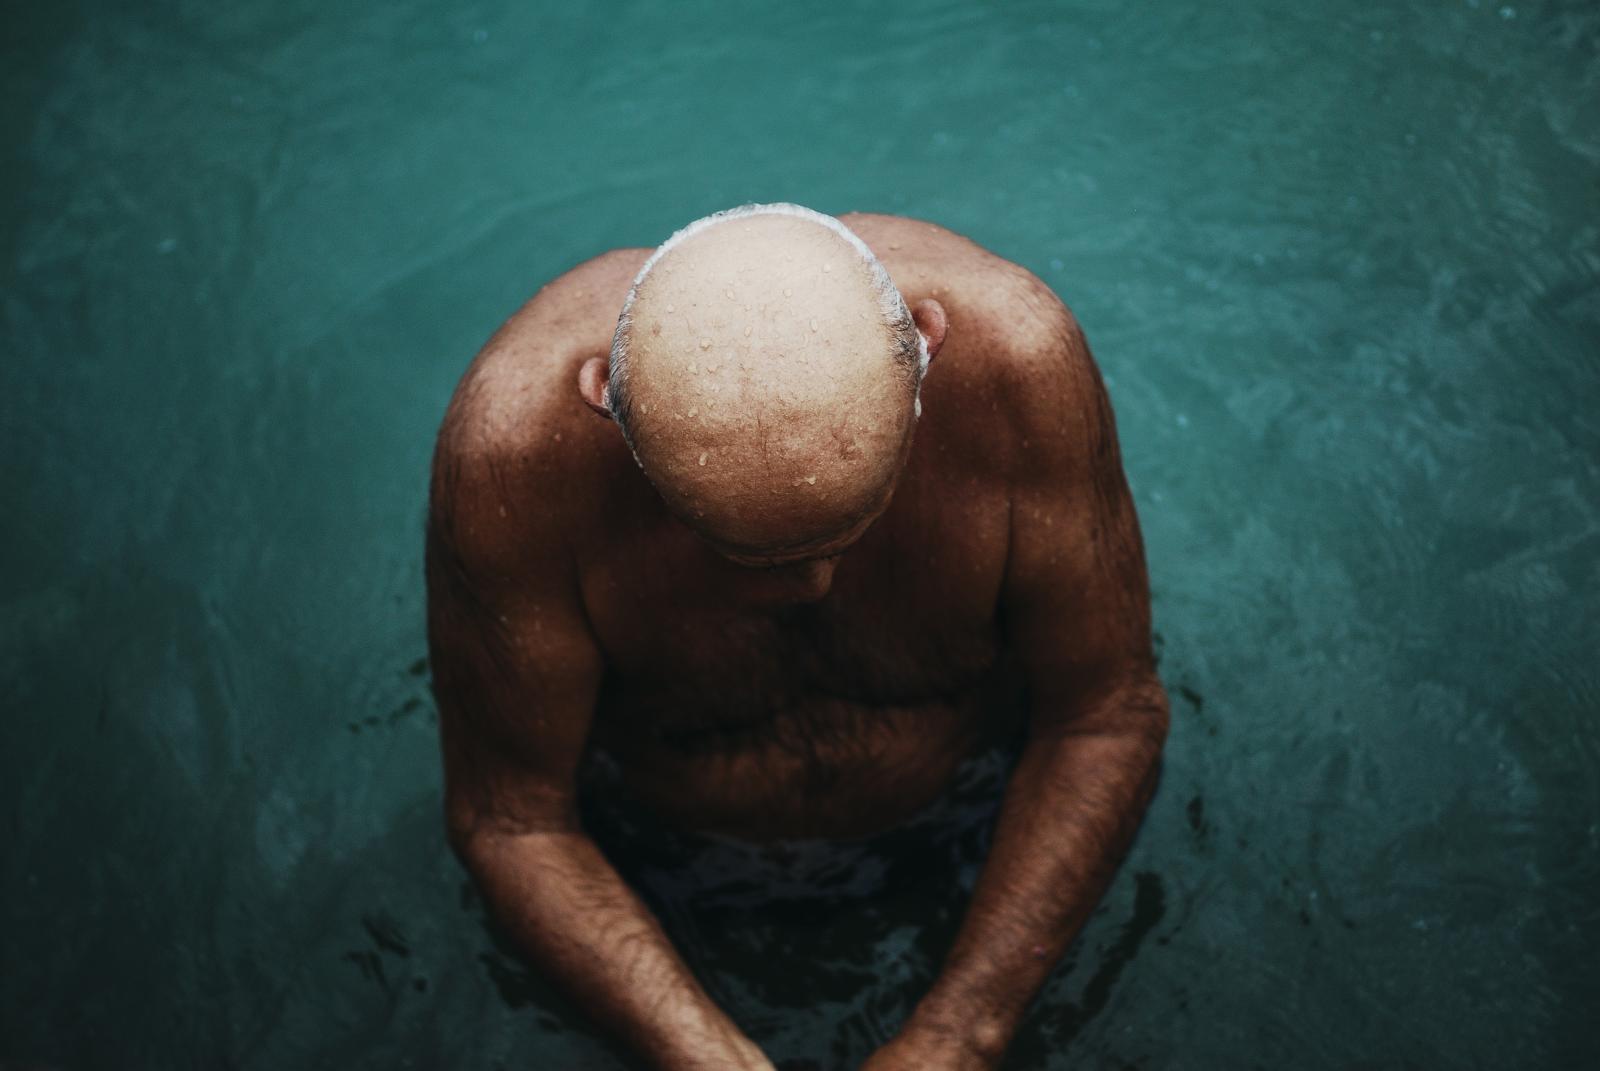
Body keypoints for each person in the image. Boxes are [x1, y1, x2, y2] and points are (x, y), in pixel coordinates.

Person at [425, 203, 1169, 1070]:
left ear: (927, 349)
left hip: (983, 824)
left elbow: (1103, 716)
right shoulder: (514, 454)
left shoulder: (1015, 366)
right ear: (604, 401)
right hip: (671, 880)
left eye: (845, 539)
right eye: (739, 551)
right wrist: (705, 1057)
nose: (806, 588)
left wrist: (962, 1034)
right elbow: (513, 819)